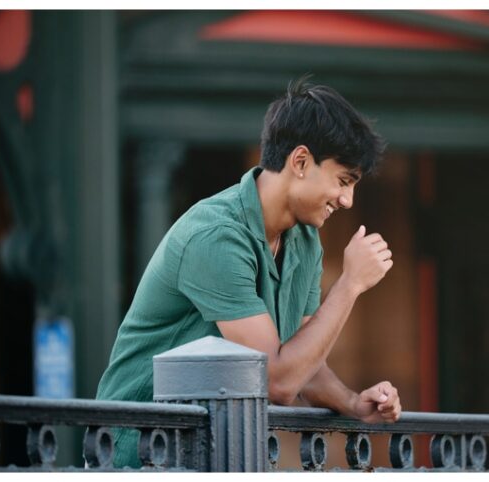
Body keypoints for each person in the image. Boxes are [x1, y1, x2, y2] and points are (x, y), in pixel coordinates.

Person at [95, 76, 402, 468]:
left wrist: (354, 403)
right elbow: (278, 381)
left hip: (210, 449)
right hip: (136, 450)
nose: (347, 199)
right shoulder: (215, 237)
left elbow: (304, 362)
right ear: (301, 162)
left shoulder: (306, 241)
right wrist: (350, 284)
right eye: (343, 181)